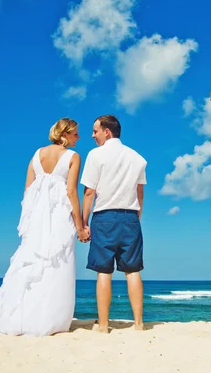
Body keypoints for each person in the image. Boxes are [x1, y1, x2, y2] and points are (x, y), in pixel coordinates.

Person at [0, 118, 90, 336]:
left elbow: (27, 190)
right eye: (76, 134)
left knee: (32, 262)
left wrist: (29, 219)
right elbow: (71, 193)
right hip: (59, 215)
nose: (78, 138)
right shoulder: (73, 156)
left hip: (37, 218)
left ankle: (25, 316)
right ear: (65, 134)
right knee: (57, 263)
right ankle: (51, 319)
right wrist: (80, 227)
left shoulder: (36, 155)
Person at [81, 115, 147, 333]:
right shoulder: (137, 157)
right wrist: (136, 217)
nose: (92, 135)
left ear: (107, 131)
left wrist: (83, 222)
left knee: (103, 271)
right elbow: (140, 192)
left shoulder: (96, 155)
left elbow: (89, 191)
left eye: (95, 131)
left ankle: (103, 325)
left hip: (105, 217)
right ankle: (138, 324)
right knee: (133, 270)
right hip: (130, 217)